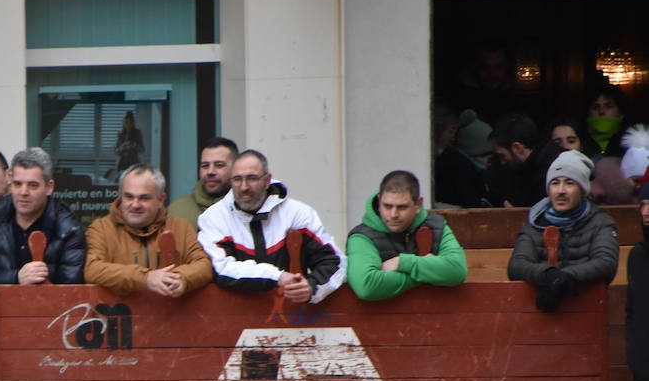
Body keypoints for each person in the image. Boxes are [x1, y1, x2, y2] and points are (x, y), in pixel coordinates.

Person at [0, 147, 86, 381]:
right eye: (18, 184)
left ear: (49, 187)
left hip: (52, 343)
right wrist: (15, 278)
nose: (23, 192)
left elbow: (72, 289)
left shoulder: (68, 227)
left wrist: (44, 281)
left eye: (32, 185)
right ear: (9, 180)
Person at [197, 149, 345, 305]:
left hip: (294, 320)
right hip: (231, 316)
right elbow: (219, 269)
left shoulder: (298, 213)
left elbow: (335, 262)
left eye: (252, 178)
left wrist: (311, 288)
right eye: (237, 179)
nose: (244, 187)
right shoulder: (213, 218)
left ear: (267, 180)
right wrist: (278, 277)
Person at [507, 149, 618, 313]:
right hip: (537, 315)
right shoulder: (535, 223)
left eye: (569, 183)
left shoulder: (600, 223)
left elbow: (605, 263)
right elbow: (517, 265)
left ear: (582, 189)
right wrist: (549, 275)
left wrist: (565, 277)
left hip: (588, 313)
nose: (561, 190)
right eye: (555, 183)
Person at [84, 163, 212, 298]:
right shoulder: (101, 228)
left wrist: (180, 278)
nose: (135, 204)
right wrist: (145, 278)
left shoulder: (180, 227)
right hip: (119, 316)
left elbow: (204, 265)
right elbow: (92, 269)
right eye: (128, 197)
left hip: (173, 315)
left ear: (160, 200)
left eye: (144, 198)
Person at [346, 170, 467, 301]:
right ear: (379, 201)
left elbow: (457, 270)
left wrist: (402, 263)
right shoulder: (362, 236)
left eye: (402, 207)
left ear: (418, 205)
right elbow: (367, 286)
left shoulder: (436, 226)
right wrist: (430, 273)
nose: (393, 214)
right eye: (387, 206)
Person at [487, 112, 563, 208]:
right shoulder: (520, 169)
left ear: (517, 148)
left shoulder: (553, 169)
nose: (502, 162)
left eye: (502, 155)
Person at [168, 137, 237, 227]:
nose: (210, 172)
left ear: (236, 168)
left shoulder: (247, 208)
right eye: (205, 165)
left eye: (219, 165)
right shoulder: (177, 211)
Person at [625, 186, 649, 381]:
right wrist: (635, 357)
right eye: (643, 204)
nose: (646, 211)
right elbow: (632, 310)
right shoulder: (638, 256)